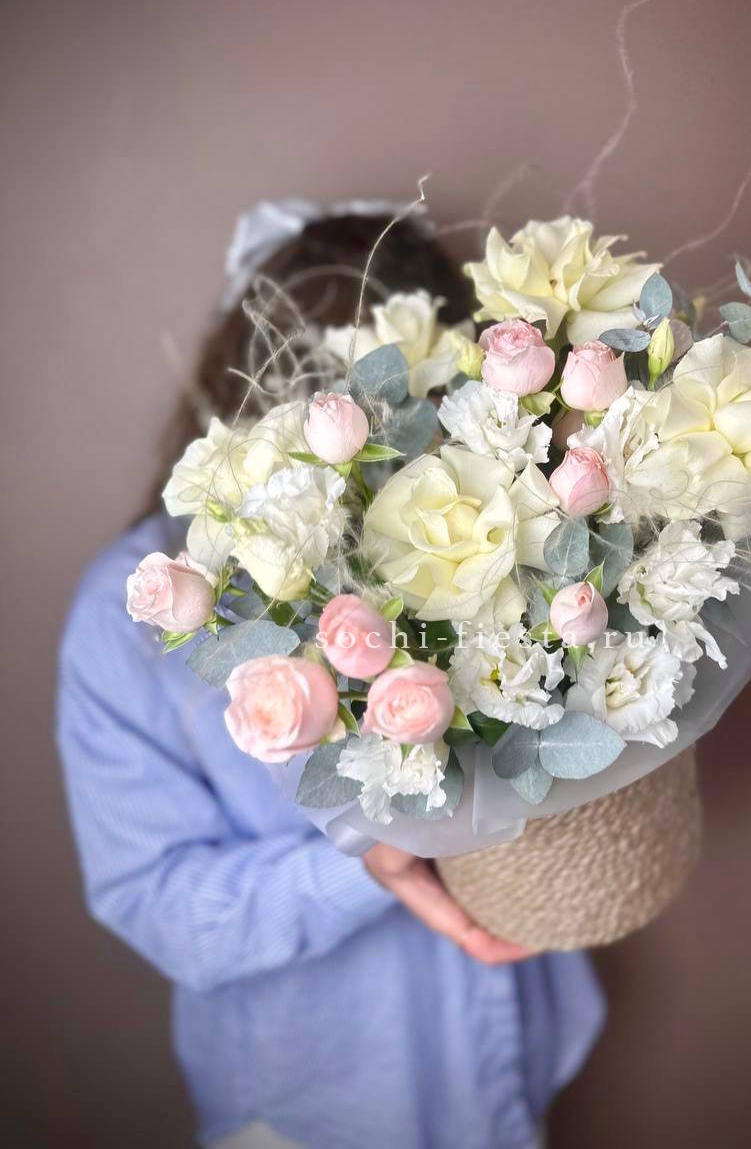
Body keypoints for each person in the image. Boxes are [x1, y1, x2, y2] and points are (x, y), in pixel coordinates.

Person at [57, 200, 605, 1149]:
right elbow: (156, 901)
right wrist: (366, 861)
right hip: (312, 1105)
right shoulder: (130, 612)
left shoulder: (490, 535)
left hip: (514, 1057)